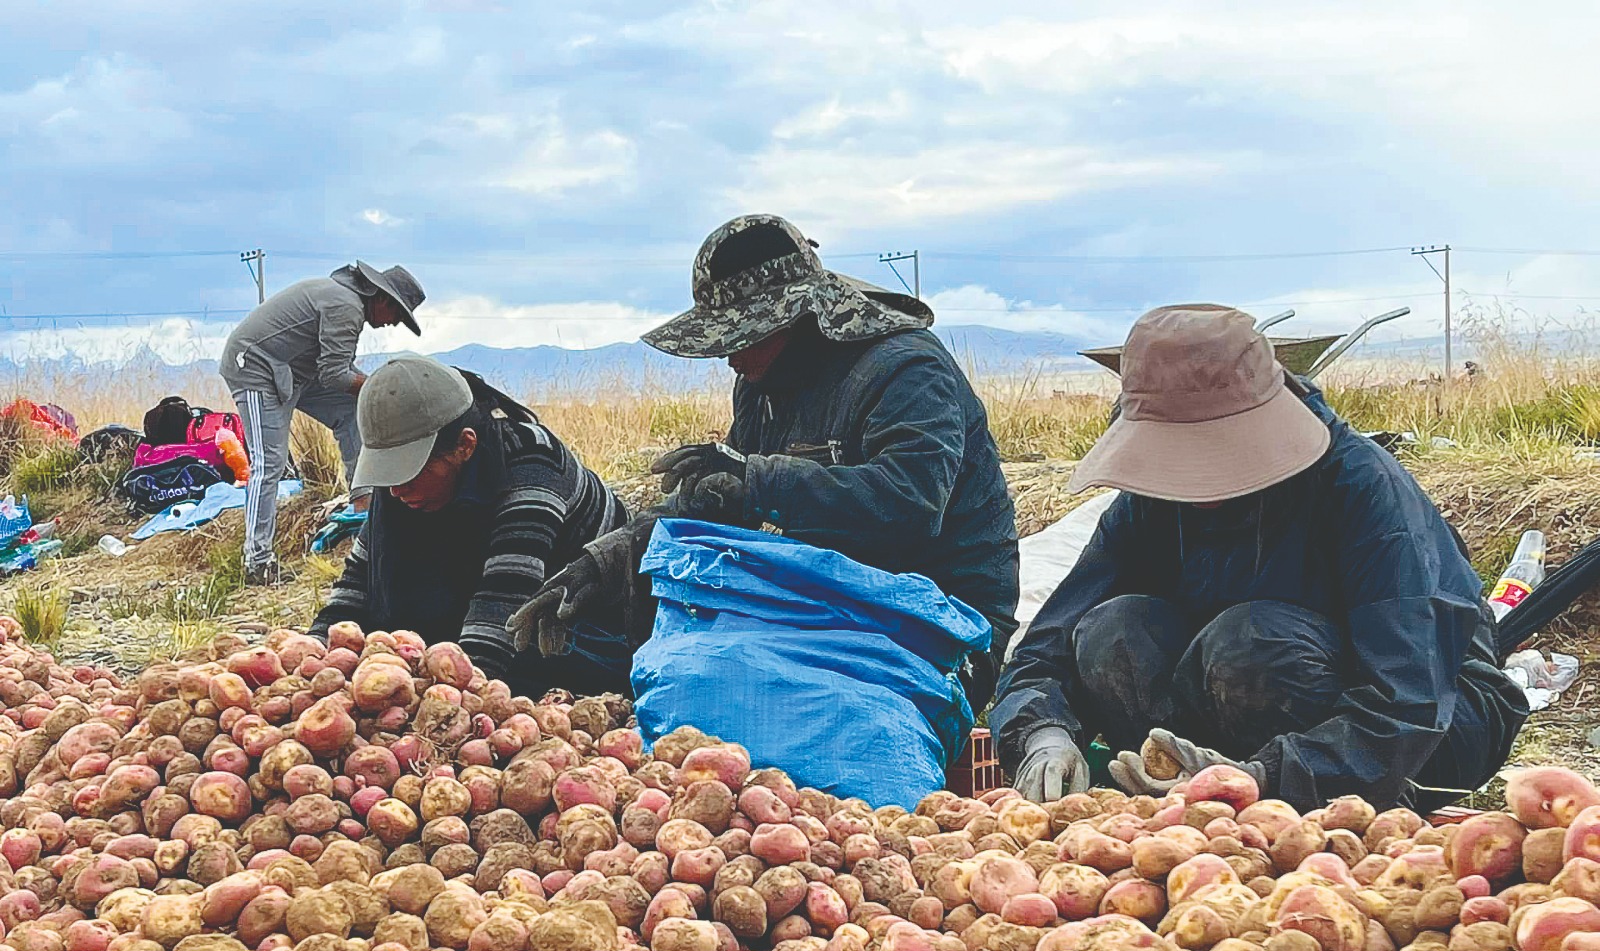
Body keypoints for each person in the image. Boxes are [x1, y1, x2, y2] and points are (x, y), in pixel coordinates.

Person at [991, 304, 1528, 812]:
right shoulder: (1150, 505)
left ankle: (1290, 808)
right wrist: (1042, 731)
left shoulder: (1362, 489)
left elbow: (1409, 696)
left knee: (1253, 642)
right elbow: (1047, 649)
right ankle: (1184, 801)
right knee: (1115, 628)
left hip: (1418, 734)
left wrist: (1266, 775)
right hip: (1233, 719)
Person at [509, 214, 1020, 708]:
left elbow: (909, 505)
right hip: (826, 601)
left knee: (741, 683)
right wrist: (608, 557)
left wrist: (759, 483)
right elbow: (718, 498)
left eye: (741, 339)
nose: (729, 358)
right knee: (653, 644)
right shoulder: (763, 384)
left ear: (796, 320)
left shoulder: (906, 369)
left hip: (940, 622)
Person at [311, 357, 631, 698]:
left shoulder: (533, 466)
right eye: (387, 474)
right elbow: (360, 577)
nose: (395, 491)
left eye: (406, 472)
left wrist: (453, 697)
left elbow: (504, 599)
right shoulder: (406, 483)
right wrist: (314, 651)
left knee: (525, 681)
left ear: (465, 446)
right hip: (491, 601)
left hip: (574, 624)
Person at [220, 262, 425, 585]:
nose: (392, 325)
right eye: (396, 317)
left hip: (295, 373)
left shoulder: (345, 301)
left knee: (352, 410)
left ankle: (364, 507)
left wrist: (368, 391)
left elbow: (336, 368)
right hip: (255, 367)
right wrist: (380, 387)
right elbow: (334, 374)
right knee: (268, 462)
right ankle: (257, 562)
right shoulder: (346, 306)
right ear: (383, 300)